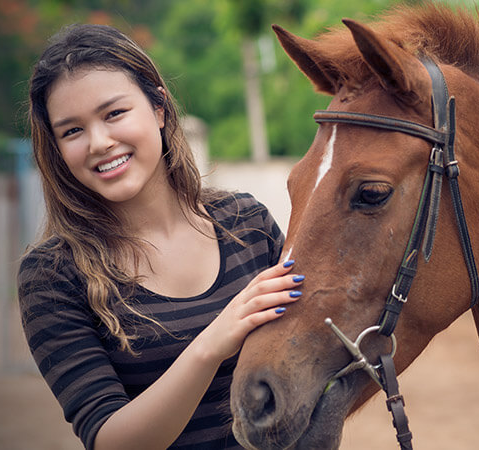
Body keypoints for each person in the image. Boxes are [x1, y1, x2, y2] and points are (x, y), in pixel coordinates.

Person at [18, 23, 300, 449]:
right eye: (72, 130)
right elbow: (111, 441)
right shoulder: (52, 276)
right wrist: (210, 346)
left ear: (160, 110)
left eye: (114, 113)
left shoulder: (246, 223)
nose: (99, 142)